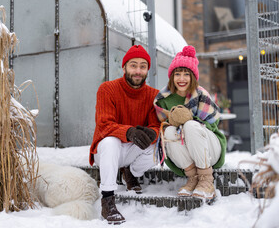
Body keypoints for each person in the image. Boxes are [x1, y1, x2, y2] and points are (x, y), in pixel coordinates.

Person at [89, 45, 161, 224]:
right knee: (110, 141)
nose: (138, 71)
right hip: (106, 151)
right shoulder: (107, 89)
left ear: (147, 70)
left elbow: (157, 126)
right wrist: (128, 131)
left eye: (143, 66)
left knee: (160, 146)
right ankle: (107, 200)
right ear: (124, 67)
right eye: (133, 65)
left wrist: (152, 134)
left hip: (131, 150)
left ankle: (131, 172)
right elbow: (104, 124)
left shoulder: (154, 95)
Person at [153, 45, 226, 200]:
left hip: (209, 149)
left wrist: (189, 120)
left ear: (193, 77)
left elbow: (213, 124)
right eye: (177, 74)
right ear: (172, 76)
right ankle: (192, 177)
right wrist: (174, 121)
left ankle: (206, 179)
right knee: (168, 131)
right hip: (185, 154)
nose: (181, 78)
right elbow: (161, 126)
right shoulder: (163, 100)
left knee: (190, 125)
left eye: (186, 74)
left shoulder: (200, 94)